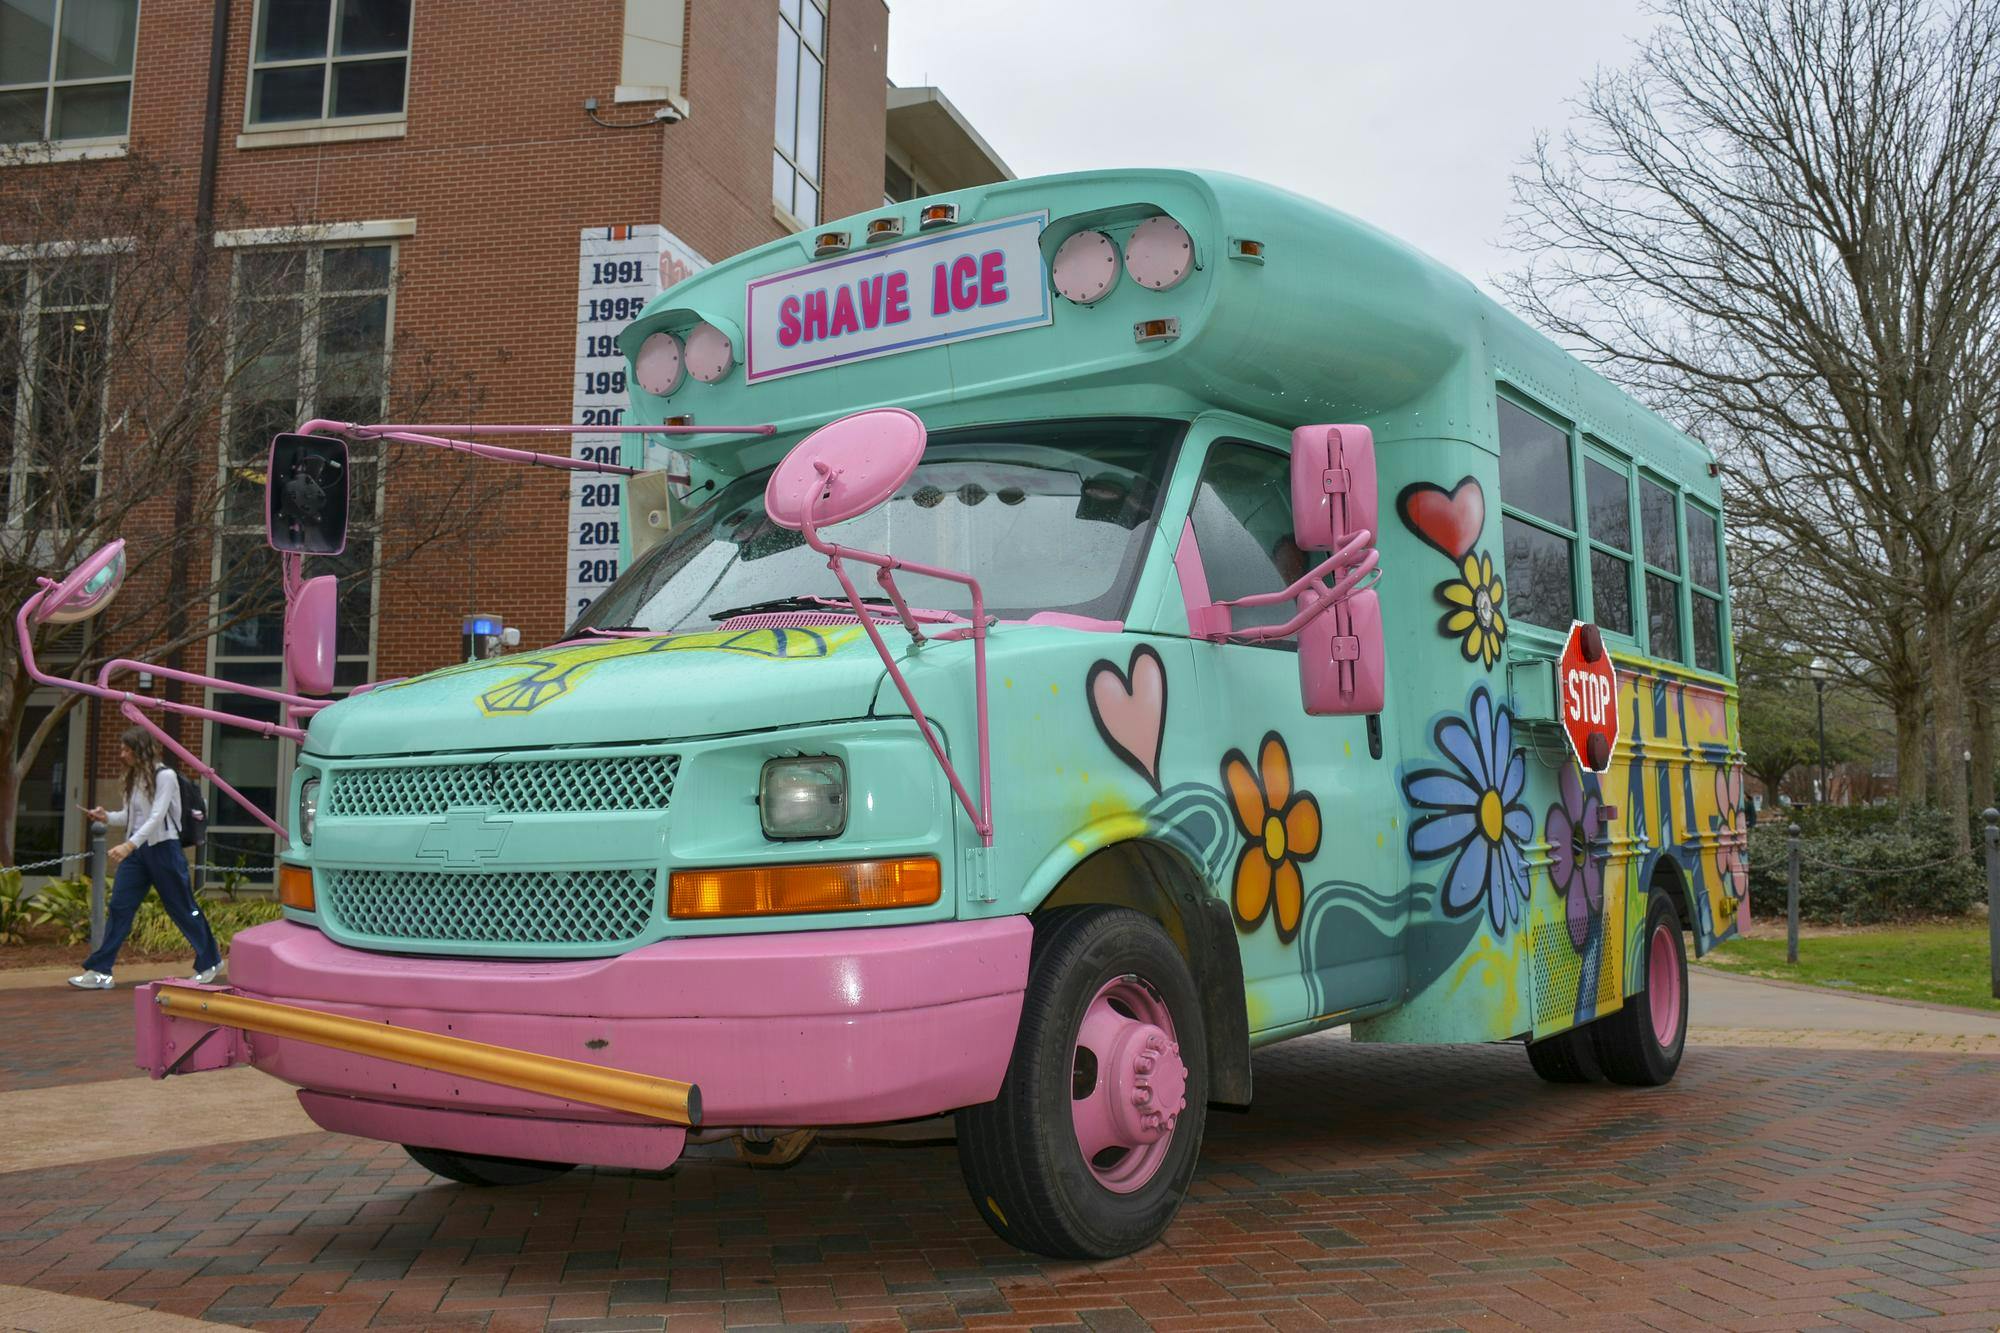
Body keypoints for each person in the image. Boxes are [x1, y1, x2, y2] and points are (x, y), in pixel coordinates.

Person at [67, 727, 222, 990]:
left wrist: (128, 845)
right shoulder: (134, 778)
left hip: (164, 850)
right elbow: (131, 817)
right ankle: (100, 970)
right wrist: (107, 817)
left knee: (182, 908)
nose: (122, 754)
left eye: (127, 749)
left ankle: (210, 961)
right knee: (119, 907)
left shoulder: (166, 776)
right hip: (138, 853)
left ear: (141, 749)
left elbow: (157, 817)